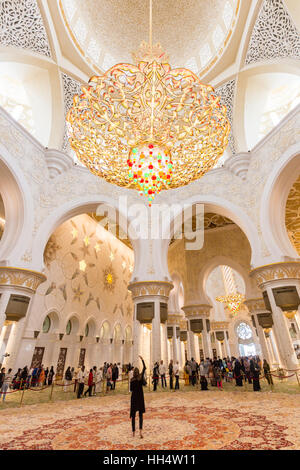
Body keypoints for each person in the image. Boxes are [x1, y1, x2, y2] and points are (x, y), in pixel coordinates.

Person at [130, 356, 146, 438]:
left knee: (133, 416)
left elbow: (131, 389)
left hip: (134, 398)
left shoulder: (132, 380)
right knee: (140, 415)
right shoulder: (140, 378)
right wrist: (142, 359)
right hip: (140, 398)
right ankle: (140, 432)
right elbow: (144, 368)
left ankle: (133, 433)